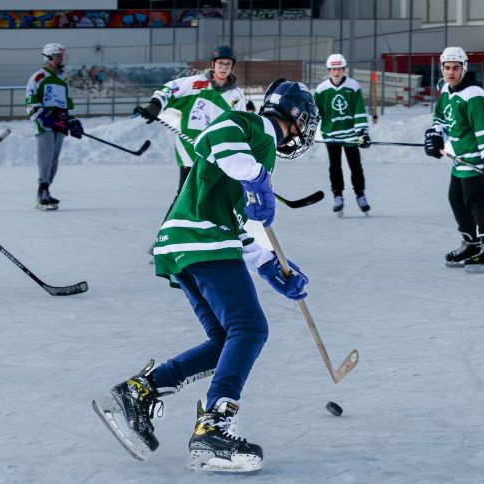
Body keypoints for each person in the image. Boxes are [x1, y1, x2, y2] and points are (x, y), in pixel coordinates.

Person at [98, 80, 319, 473]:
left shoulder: (262, 152)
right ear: (299, 118)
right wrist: (254, 176)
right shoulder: (256, 128)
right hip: (202, 239)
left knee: (225, 339)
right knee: (249, 330)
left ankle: (139, 392)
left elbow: (241, 222)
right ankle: (214, 428)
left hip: (186, 243)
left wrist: (270, 265)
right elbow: (215, 134)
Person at [134, 45, 246, 252]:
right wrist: (155, 106)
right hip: (190, 152)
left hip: (216, 155)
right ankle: (163, 239)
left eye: (227, 64)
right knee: (185, 197)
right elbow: (168, 90)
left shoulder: (236, 95)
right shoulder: (195, 83)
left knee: (215, 198)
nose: (223, 67)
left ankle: (210, 240)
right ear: (213, 65)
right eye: (220, 63)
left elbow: (239, 125)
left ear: (232, 67)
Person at [424, 46, 484, 273]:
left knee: (476, 202)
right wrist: (435, 136)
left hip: (477, 162)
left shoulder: (474, 95)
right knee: (456, 199)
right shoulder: (447, 92)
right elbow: (441, 118)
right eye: (447, 68)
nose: (451, 72)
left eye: (456, 68)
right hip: (460, 161)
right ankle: (471, 243)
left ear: (464, 68)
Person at [25, 43, 83, 210]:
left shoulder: (62, 79)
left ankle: (47, 189)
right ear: (49, 57)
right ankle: (41, 190)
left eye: (61, 56)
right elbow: (30, 98)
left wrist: (72, 121)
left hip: (61, 122)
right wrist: (41, 116)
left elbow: (68, 101)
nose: (60, 59)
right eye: (58, 56)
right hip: (45, 124)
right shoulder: (39, 77)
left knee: (54, 159)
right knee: (46, 157)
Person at [313, 53, 372, 217]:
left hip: (351, 135)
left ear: (344, 69)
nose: (336, 72)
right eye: (333, 69)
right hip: (331, 135)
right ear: (329, 70)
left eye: (339, 69)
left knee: (356, 166)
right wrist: (309, 132)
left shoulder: (353, 86)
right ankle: (337, 196)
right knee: (335, 166)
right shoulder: (321, 90)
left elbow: (359, 109)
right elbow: (315, 113)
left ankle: (360, 195)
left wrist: (362, 132)